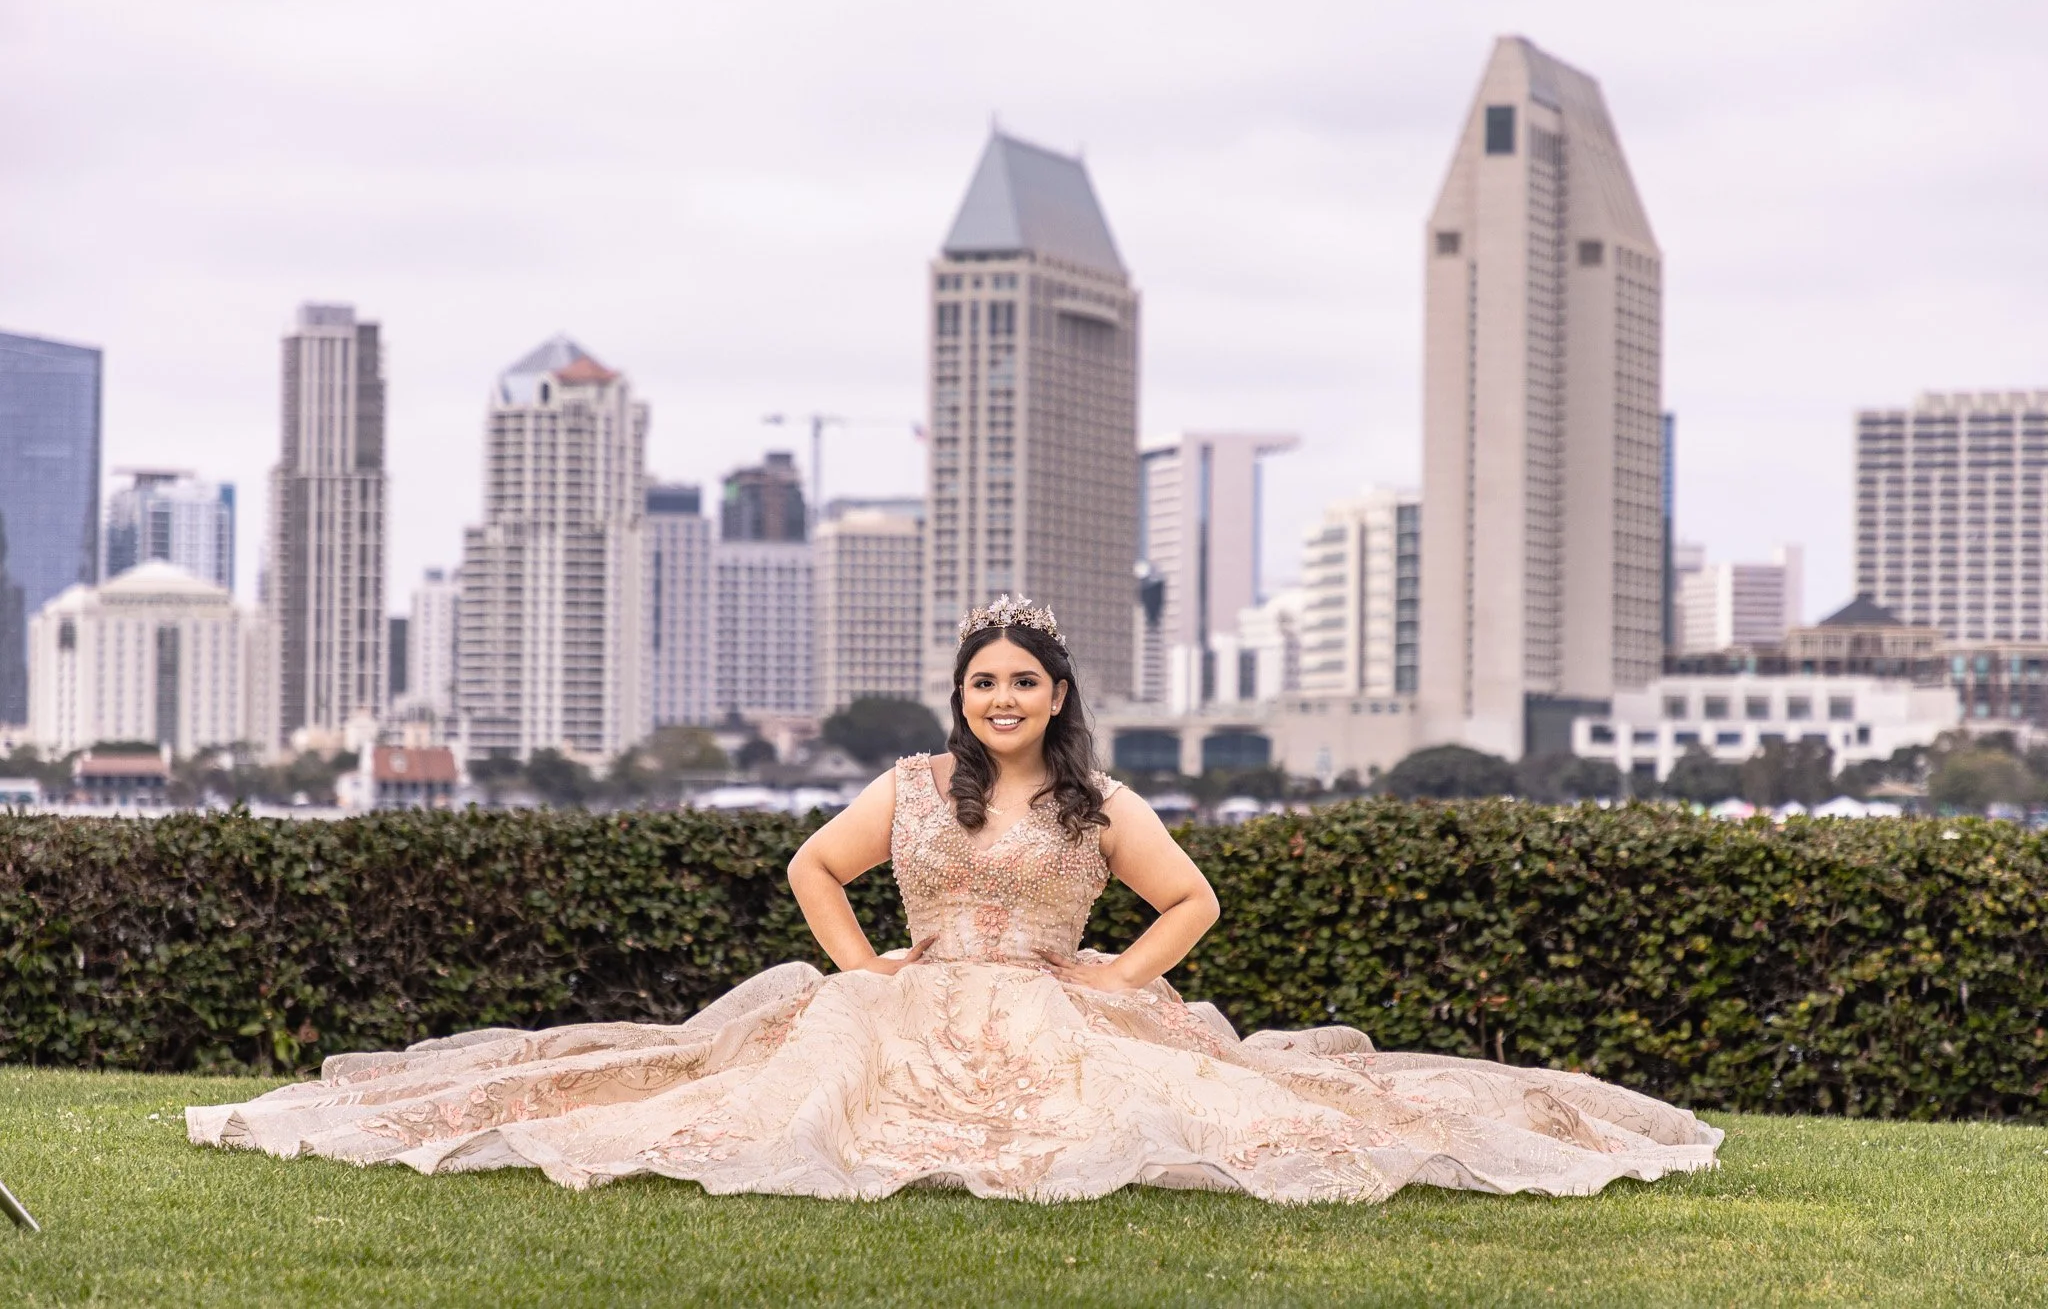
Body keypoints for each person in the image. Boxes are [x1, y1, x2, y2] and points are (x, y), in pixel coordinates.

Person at [189, 596, 1721, 1202]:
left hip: (1057, 995)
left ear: (1059, 694)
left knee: (1242, 1118)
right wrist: (857, 966)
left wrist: (1119, 978)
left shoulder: (1100, 801)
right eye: (984, 681)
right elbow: (811, 866)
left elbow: (1191, 902)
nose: (1001, 698)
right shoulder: (912, 786)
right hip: (910, 990)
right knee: (701, 1097)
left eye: (1024, 681)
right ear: (964, 694)